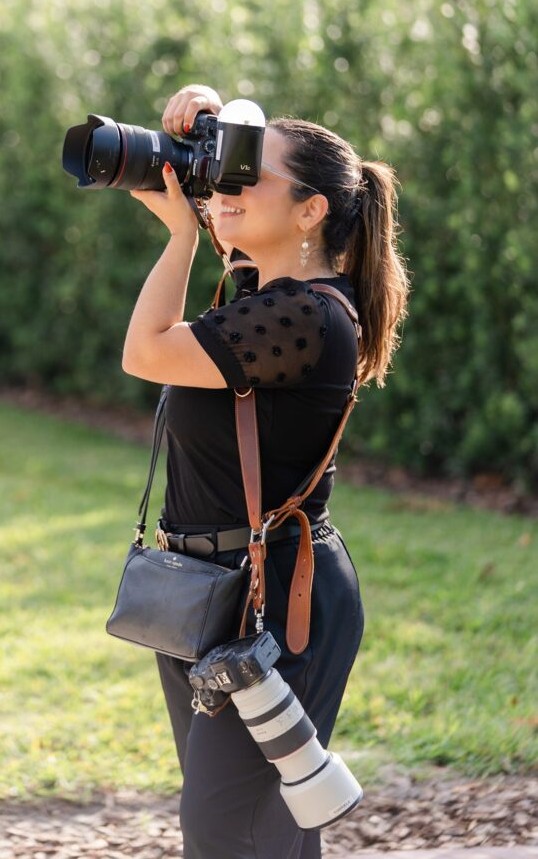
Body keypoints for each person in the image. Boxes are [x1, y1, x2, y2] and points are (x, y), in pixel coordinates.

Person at [121, 84, 410, 859]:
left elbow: (145, 349)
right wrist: (207, 114)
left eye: (247, 178)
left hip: (274, 599)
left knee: (228, 832)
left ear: (311, 210)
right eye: (225, 176)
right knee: (257, 830)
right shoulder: (271, 296)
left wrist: (180, 234)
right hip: (205, 593)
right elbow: (234, 199)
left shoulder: (304, 316)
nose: (227, 190)